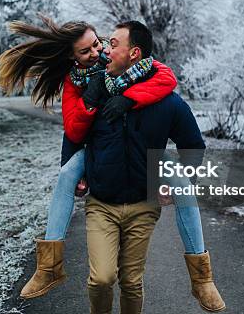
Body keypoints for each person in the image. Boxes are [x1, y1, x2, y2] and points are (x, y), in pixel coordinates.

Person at [0, 16, 177, 299]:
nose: (96, 53)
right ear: (72, 56)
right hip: (95, 148)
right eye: (86, 51)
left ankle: (202, 277)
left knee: (182, 182)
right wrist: (89, 100)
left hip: (137, 145)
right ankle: (48, 265)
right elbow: (74, 131)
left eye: (97, 44)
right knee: (67, 175)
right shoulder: (74, 82)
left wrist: (130, 98)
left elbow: (166, 77)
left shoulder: (115, 58)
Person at [81, 21, 225, 313]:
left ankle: (202, 278)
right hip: (101, 204)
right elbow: (73, 134)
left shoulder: (167, 103)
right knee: (101, 279)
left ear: (134, 53)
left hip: (143, 206)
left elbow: (193, 146)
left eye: (113, 44)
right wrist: (75, 174)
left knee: (132, 282)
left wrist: (179, 186)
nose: (106, 50)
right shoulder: (98, 92)